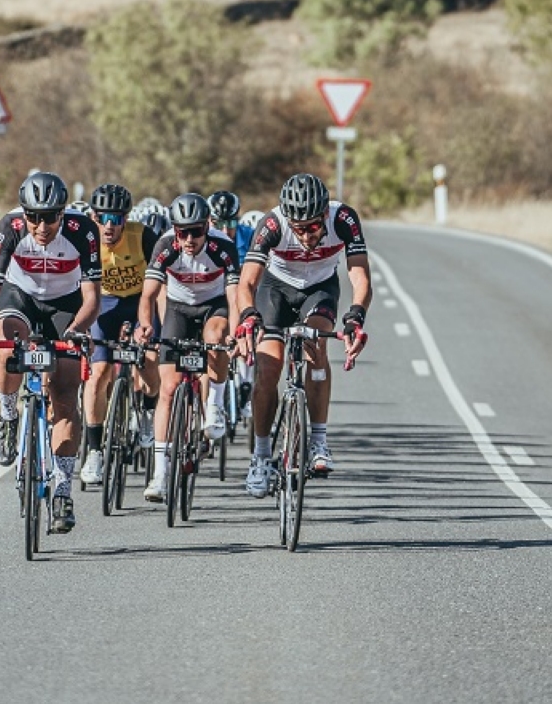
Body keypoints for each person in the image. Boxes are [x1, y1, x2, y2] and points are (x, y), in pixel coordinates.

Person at [0, 171, 101, 535]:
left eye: (50, 216)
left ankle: (62, 490)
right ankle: (8, 414)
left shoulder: (83, 231)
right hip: (21, 298)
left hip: (66, 305)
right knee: (6, 339)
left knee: (64, 396)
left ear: (63, 213)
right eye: (34, 216)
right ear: (24, 213)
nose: (41, 226)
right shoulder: (10, 226)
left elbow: (92, 298)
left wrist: (76, 332)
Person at [235, 173, 371, 498]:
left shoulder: (343, 219)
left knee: (317, 346)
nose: (307, 235)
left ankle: (319, 442)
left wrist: (355, 317)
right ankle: (261, 456)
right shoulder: (273, 224)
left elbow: (360, 276)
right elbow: (247, 284)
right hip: (276, 290)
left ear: (325, 214)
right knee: (268, 368)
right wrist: (247, 315)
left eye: (313, 227)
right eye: (299, 229)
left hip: (320, 289)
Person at [136, 193, 242, 503]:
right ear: (175, 230)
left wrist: (236, 334)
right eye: (183, 232)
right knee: (168, 390)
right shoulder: (165, 246)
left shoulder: (223, 246)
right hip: (179, 310)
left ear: (208, 226)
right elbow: (148, 296)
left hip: (213, 307)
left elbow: (234, 298)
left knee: (217, 336)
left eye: (197, 231)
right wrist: (146, 326)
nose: (190, 239)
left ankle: (215, 406)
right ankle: (160, 473)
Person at [79, 182, 163, 485]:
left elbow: (161, 282)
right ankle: (94, 452)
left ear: (126, 218)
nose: (109, 226)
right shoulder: (86, 238)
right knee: (99, 372)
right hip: (106, 303)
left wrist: (152, 325)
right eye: (103, 218)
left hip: (141, 300)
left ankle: (149, 412)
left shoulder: (143, 236)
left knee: (149, 360)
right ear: (93, 216)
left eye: (117, 219)